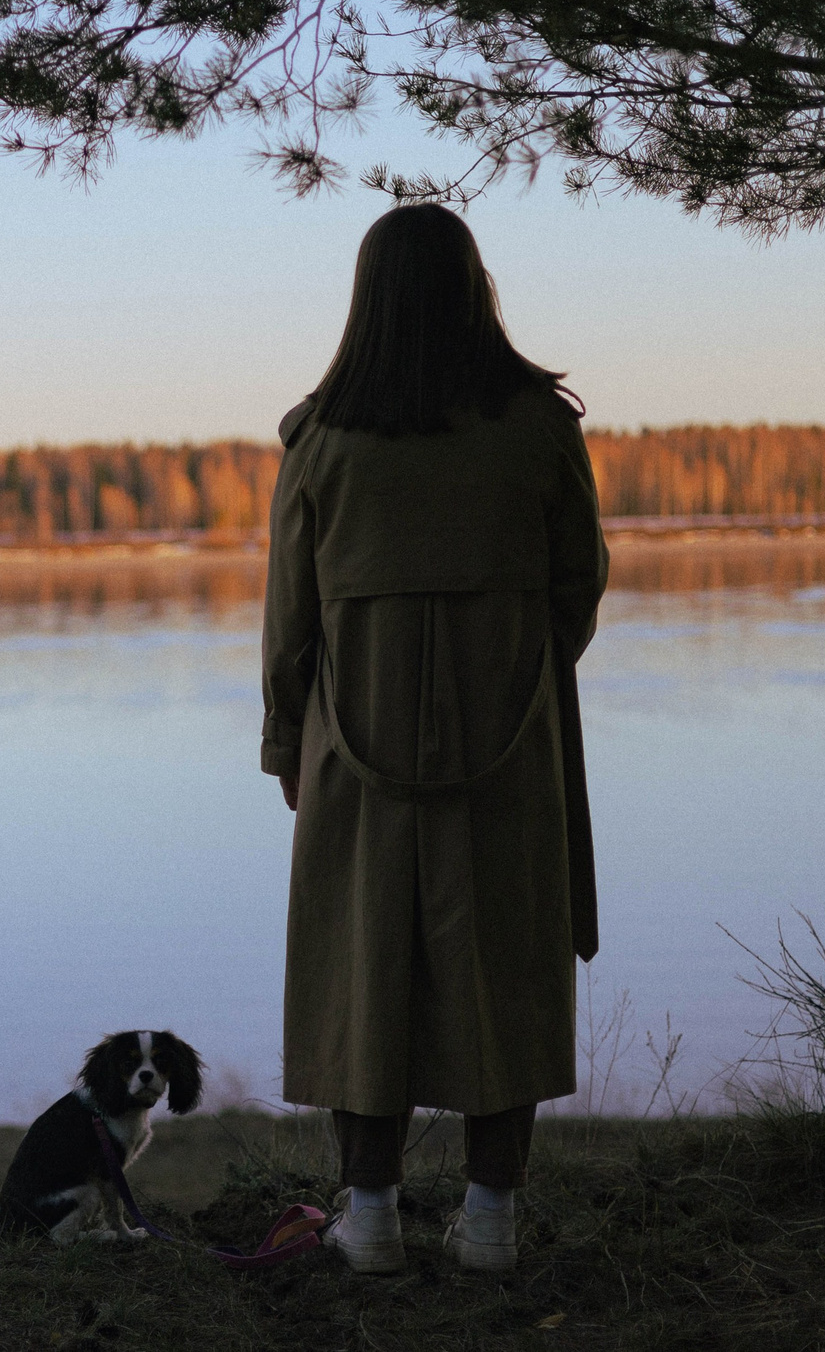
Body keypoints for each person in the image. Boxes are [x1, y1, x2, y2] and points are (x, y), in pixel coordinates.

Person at [260, 204, 607, 1275]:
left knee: (360, 966)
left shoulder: (320, 437)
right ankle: (491, 1218)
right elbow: (577, 586)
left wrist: (287, 745)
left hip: (351, 752)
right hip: (513, 739)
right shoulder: (539, 425)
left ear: (367, 300)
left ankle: (367, 1218)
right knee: (504, 960)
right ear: (474, 288)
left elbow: (290, 621)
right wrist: (514, 670)